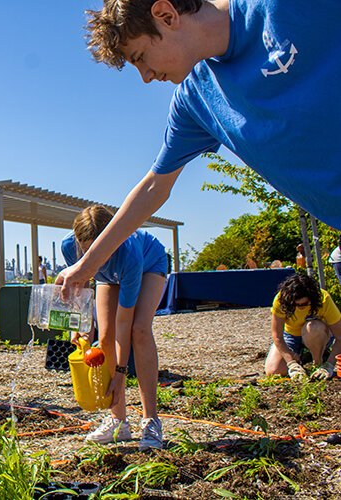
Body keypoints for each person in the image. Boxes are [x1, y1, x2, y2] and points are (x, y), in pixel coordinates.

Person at [59, 0, 341, 303]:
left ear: (166, 16)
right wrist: (85, 266)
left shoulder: (279, 8)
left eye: (140, 57)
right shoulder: (196, 99)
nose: (146, 76)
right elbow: (153, 187)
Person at [62, 205, 168, 450]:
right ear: (78, 243)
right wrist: (80, 328)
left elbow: (125, 321)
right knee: (105, 338)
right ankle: (118, 422)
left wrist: (121, 373)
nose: (100, 257)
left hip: (148, 265)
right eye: (89, 251)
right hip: (108, 279)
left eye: (102, 248)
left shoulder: (129, 252)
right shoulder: (69, 247)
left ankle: (151, 420)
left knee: (139, 330)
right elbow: (82, 291)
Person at [264, 274, 339, 380]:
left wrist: (329, 366)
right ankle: (301, 358)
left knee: (313, 327)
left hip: (317, 334)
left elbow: (340, 336)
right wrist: (291, 363)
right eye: (295, 304)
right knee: (274, 370)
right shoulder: (280, 300)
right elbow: (277, 336)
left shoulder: (324, 299)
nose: (300, 307)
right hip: (291, 335)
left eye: (304, 304)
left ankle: (318, 361)